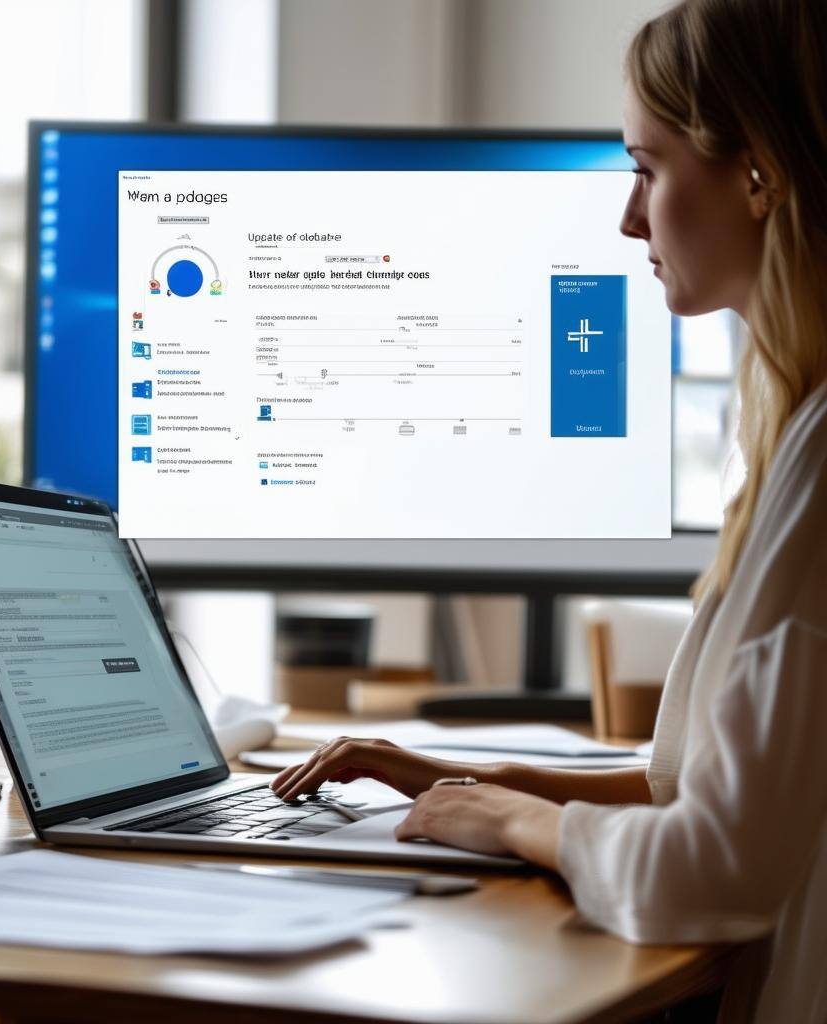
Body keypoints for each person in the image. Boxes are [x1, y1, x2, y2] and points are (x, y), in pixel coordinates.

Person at [272, 1, 827, 1019]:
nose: (627, 218)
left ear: (757, 171)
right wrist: (458, 779)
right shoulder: (798, 434)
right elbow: (692, 792)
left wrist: (517, 822)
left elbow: (712, 866)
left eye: (646, 168)